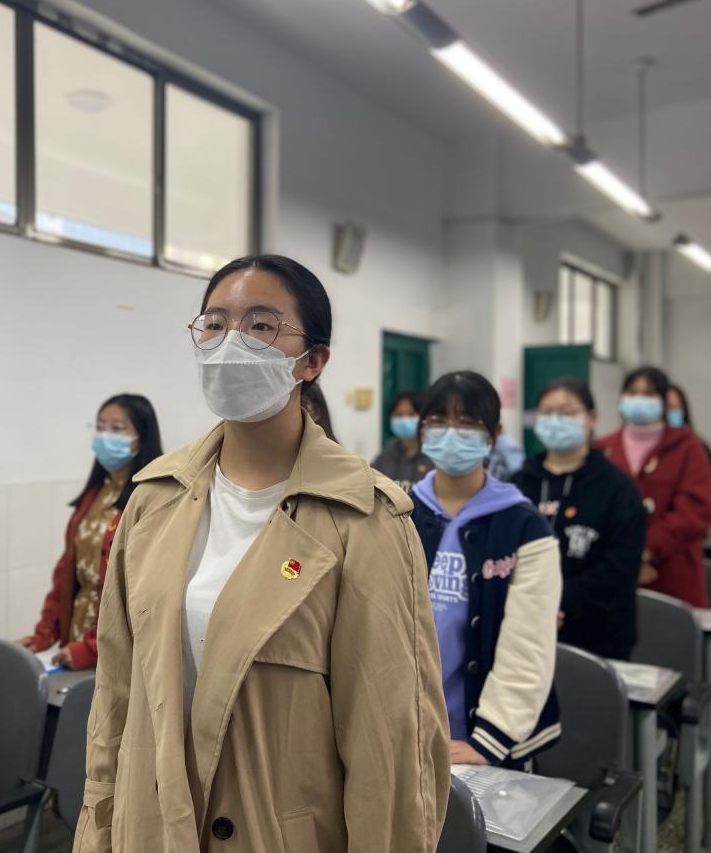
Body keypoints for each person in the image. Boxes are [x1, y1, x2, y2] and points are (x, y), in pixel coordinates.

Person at [74, 255, 449, 852]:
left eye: (262, 325)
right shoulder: (153, 500)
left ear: (313, 361)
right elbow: (115, 697)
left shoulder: (366, 519)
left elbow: (390, 747)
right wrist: (98, 834)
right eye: (215, 323)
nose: (231, 343)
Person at [410, 371, 561, 769]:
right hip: (404, 727)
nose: (451, 432)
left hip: (484, 738)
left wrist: (489, 739)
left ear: (493, 435)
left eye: (468, 422)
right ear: (423, 431)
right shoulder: (399, 510)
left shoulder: (523, 525)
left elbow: (528, 643)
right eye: (439, 420)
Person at [16, 394, 162, 671]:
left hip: (121, 648)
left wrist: (93, 649)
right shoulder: (95, 494)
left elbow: (146, 590)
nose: (105, 436)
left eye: (117, 428)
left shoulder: (152, 498)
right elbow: (66, 572)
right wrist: (44, 634)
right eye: (100, 427)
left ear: (142, 437)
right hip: (78, 638)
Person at [512, 379, 645, 660]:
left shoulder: (617, 488)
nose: (555, 420)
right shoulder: (517, 484)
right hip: (523, 628)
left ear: (591, 419)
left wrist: (556, 600)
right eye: (547, 412)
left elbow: (619, 568)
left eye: (567, 412)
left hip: (598, 635)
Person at [595, 367, 711, 607]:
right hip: (611, 573)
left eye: (648, 393)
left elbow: (695, 510)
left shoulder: (688, 447)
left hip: (672, 572)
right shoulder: (602, 448)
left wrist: (646, 549)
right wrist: (623, 552)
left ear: (663, 400)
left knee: (669, 627)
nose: (639, 399)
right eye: (632, 392)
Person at [667, 383, 711, 559]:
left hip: (696, 544)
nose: (672, 413)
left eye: (677, 408)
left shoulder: (697, 447)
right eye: (668, 408)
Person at [371, 390, 433, 491]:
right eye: (398, 414)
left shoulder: (435, 455)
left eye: (411, 414)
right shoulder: (386, 455)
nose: (404, 419)